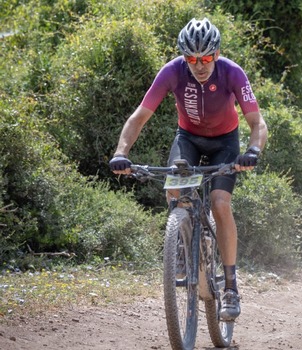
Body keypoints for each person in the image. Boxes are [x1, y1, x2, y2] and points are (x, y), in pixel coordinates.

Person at [108, 18, 267, 321]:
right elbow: (139, 116)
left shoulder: (232, 72)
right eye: (191, 58)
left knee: (220, 203)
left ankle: (231, 287)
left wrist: (253, 150)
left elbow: (257, 122)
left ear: (216, 54)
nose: (199, 64)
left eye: (206, 57)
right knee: (173, 188)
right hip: (188, 139)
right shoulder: (171, 72)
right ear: (183, 56)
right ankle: (180, 245)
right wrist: (121, 152)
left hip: (225, 143)